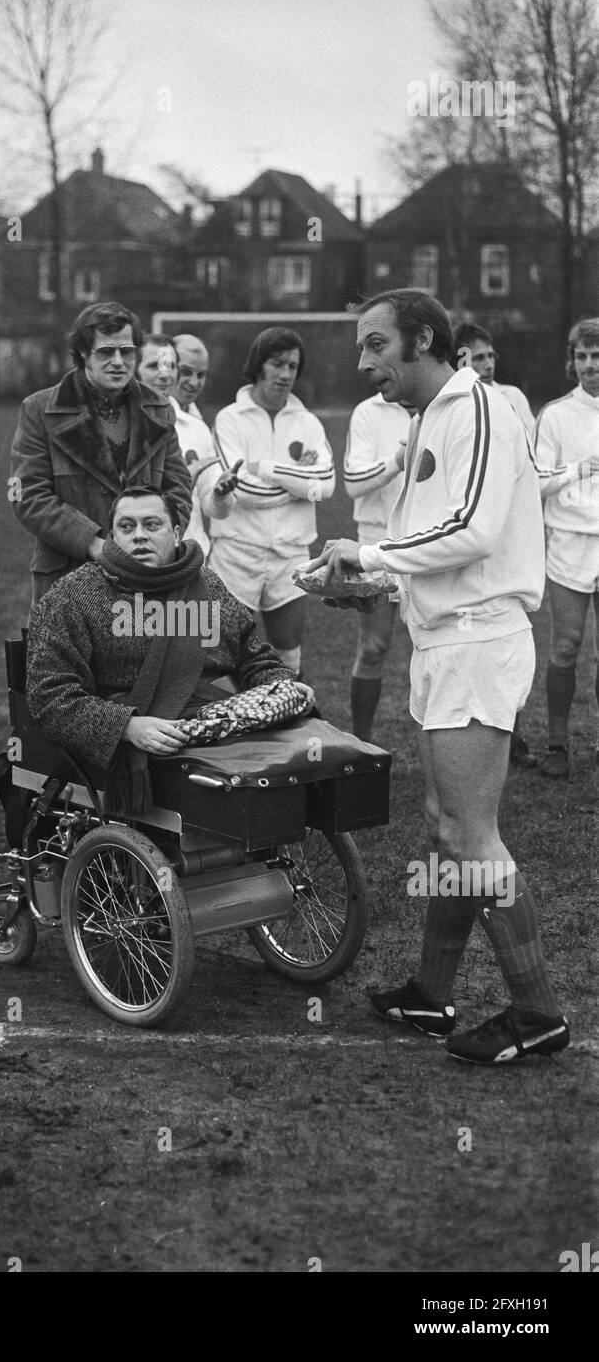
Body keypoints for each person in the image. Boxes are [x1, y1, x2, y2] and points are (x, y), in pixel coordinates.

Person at [300, 289, 569, 1065]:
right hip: (445, 641)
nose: (364, 363)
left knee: (468, 835)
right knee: (444, 832)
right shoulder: (428, 420)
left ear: (423, 340)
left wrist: (375, 555)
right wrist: (362, 580)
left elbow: (475, 532)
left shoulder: (478, 407)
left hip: (480, 642)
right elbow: (433, 541)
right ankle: (430, 995)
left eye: (376, 345)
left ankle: (538, 1013)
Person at [26, 486, 313, 801]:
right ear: (111, 537)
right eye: (126, 527)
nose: (139, 536)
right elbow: (50, 697)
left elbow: (255, 658)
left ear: (176, 533)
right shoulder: (73, 596)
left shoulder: (208, 586)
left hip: (219, 726)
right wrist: (127, 727)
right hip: (141, 742)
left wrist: (280, 684)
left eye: (152, 525)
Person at [9, 302, 192, 608]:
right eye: (106, 352)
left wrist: (156, 543)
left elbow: (180, 488)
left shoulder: (159, 409)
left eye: (127, 351)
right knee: (67, 656)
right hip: (68, 579)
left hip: (146, 580)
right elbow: (26, 496)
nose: (118, 362)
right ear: (83, 354)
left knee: (145, 657)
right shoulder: (40, 410)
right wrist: (93, 544)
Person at [207, 327, 335, 676]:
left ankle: (287, 727)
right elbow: (243, 491)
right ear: (258, 366)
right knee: (224, 656)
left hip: (291, 552)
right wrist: (298, 480)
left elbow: (326, 486)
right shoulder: (229, 418)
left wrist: (267, 469)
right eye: (277, 364)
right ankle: (231, 730)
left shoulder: (307, 422)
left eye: (292, 366)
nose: (285, 374)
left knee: (288, 658)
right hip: (237, 552)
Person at [453, 321, 538, 768]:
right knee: (470, 639)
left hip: (509, 535)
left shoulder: (513, 399)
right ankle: (469, 736)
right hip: (470, 537)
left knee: (509, 637)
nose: (485, 365)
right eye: (475, 357)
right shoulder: (455, 406)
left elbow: (532, 465)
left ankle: (511, 732)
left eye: (489, 356)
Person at [532, 316, 599, 778]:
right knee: (565, 646)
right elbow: (535, 484)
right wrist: (578, 469)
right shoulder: (555, 414)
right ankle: (557, 743)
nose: (590, 365)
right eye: (582, 357)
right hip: (569, 544)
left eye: (597, 357)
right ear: (572, 361)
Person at [342, 392, 410, 739]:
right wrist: (397, 460)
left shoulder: (444, 404)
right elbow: (354, 483)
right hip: (376, 540)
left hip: (431, 545)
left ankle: (447, 741)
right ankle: (361, 742)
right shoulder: (368, 411)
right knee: (373, 648)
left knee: (437, 647)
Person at [138, 333, 218, 559]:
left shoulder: (196, 427)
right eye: (155, 366)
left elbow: (211, 505)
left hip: (190, 557)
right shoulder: (121, 426)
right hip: (142, 558)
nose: (164, 375)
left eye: (171, 366)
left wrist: (221, 493)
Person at [173, 333, 210, 417]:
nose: (194, 383)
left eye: (200, 375)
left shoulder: (197, 418)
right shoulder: (151, 417)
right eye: (186, 372)